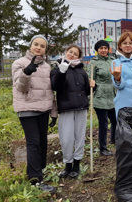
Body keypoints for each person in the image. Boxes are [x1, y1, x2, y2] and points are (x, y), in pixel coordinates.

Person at [12, 35, 57, 193]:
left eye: (42, 46)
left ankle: (39, 173)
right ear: (30, 46)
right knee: (34, 144)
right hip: (27, 110)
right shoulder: (19, 63)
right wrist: (26, 72)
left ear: (45, 49)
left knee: (43, 143)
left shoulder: (46, 66)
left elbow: (49, 91)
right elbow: (21, 88)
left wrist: (53, 112)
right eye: (36, 44)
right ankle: (35, 181)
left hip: (43, 110)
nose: (38, 48)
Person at [50, 45, 92, 179]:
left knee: (79, 137)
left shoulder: (82, 72)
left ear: (79, 57)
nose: (72, 55)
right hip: (66, 108)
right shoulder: (57, 69)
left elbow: (86, 91)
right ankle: (67, 164)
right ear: (65, 52)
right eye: (70, 52)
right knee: (66, 138)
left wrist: (93, 87)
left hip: (81, 108)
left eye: (76, 53)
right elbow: (55, 86)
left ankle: (77, 164)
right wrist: (62, 72)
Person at [88, 40, 117, 156]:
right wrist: (92, 86)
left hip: (113, 95)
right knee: (103, 123)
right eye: (101, 48)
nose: (104, 50)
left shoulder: (113, 61)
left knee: (115, 120)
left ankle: (114, 140)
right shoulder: (93, 63)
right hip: (100, 96)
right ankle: (103, 148)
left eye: (105, 48)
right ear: (97, 50)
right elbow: (90, 79)